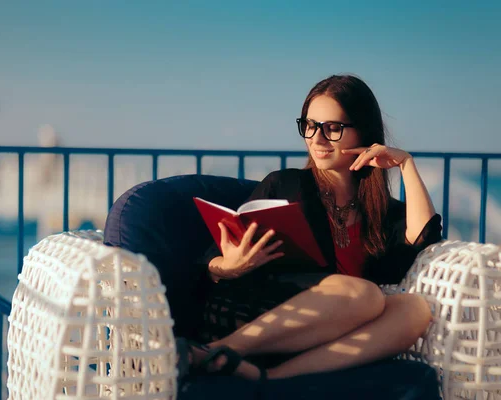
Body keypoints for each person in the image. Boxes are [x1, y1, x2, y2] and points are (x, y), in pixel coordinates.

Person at [179, 74, 442, 384]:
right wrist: (229, 266)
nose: (316, 139)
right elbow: (212, 260)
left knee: (414, 309)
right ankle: (215, 352)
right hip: (261, 317)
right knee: (362, 294)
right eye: (309, 125)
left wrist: (406, 165)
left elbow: (425, 238)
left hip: (329, 336)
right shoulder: (286, 185)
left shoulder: (382, 213)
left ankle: (270, 377)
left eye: (332, 128)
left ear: (364, 134)